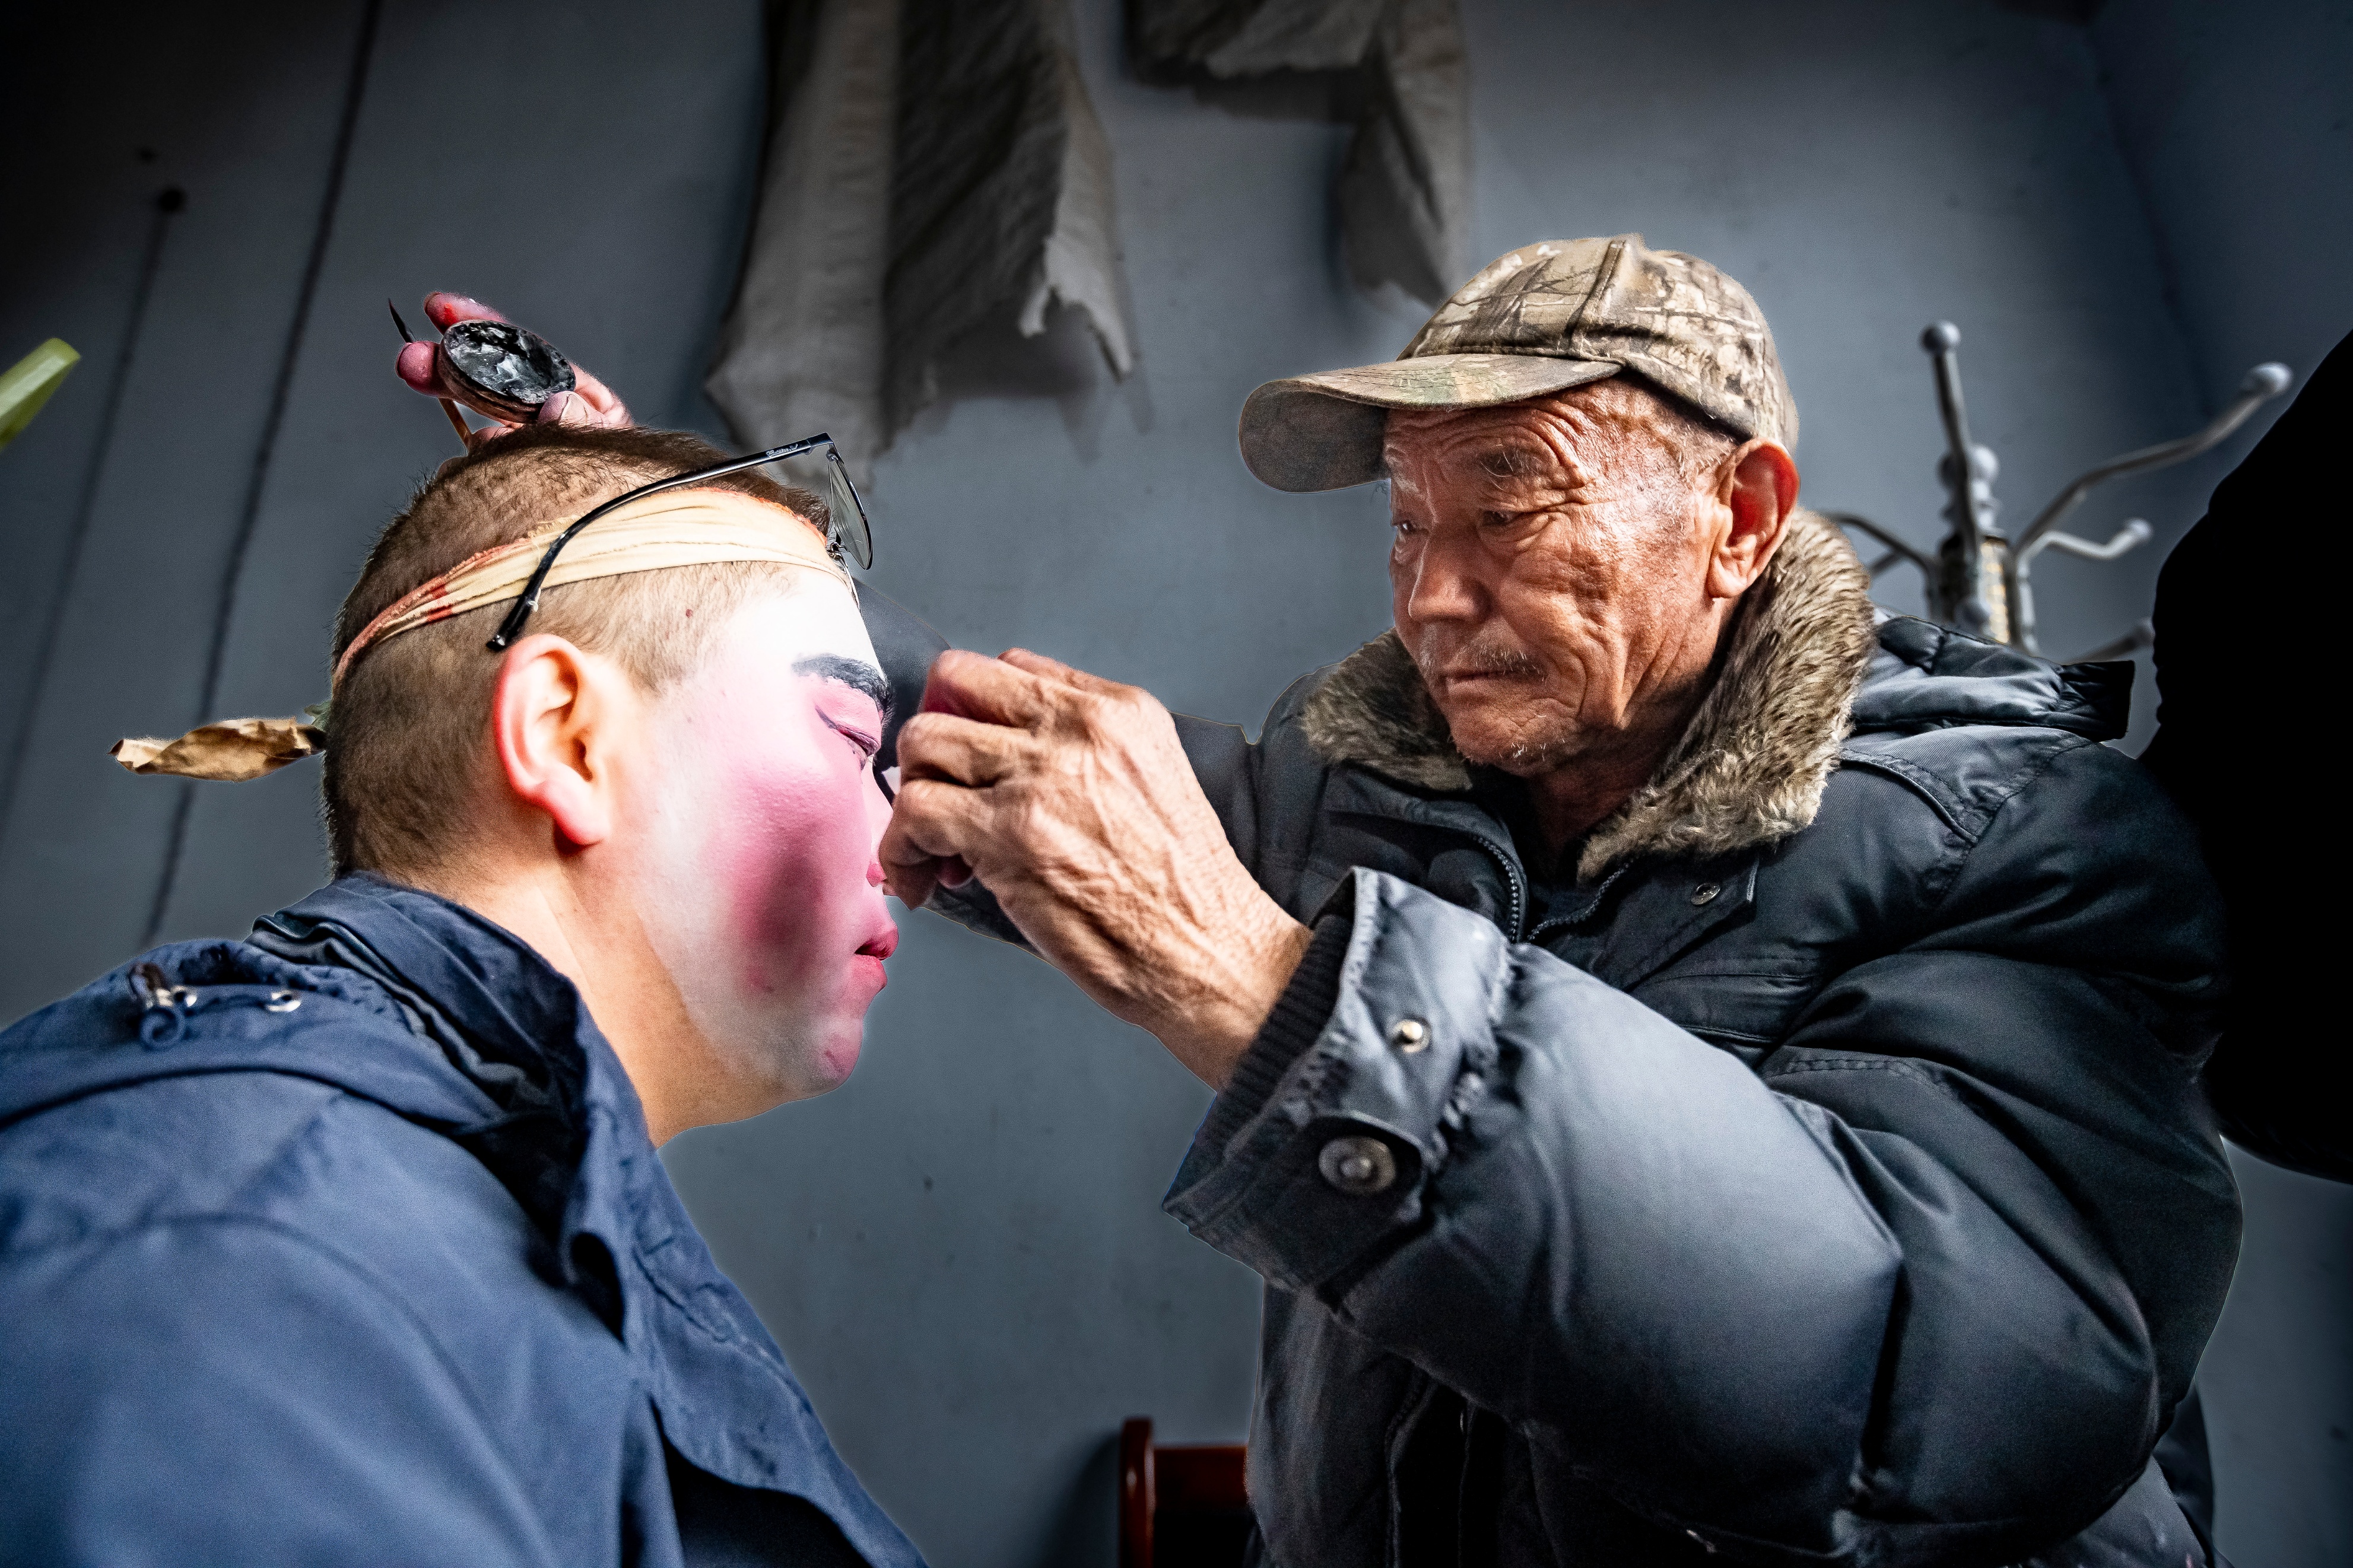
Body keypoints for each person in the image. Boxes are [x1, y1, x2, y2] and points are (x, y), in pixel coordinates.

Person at [879, 237, 2241, 1566]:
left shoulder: (2020, 835)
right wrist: (734, 565)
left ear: (1742, 519)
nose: (1429, 597)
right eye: (1407, 523)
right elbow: (1063, 773)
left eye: (1509, 510)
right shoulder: (1380, 799)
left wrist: (1273, 996)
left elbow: (1944, 1377)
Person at [0, 411, 926, 1566]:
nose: (904, 837)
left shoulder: (433, 1230)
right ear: (567, 737)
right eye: (848, 734)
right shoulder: (237, 1288)